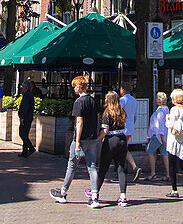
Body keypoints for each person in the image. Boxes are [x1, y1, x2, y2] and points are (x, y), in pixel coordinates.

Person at [50, 75, 100, 205]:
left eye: (74, 87)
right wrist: (96, 134)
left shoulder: (79, 102)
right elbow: (98, 119)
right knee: (92, 167)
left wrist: (77, 141)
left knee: (72, 166)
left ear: (79, 87)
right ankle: (95, 196)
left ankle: (63, 193)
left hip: (81, 139)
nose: (73, 89)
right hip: (92, 139)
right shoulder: (93, 101)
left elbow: (79, 122)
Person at [93, 91, 131, 207]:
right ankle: (123, 196)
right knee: (121, 168)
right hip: (122, 139)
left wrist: (96, 139)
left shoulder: (107, 113)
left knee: (103, 168)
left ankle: (95, 193)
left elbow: (105, 131)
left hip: (110, 140)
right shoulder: (122, 112)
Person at [117, 83, 142, 182]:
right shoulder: (134, 100)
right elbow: (135, 116)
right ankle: (133, 167)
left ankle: (126, 169)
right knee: (124, 148)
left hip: (123, 127)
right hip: (130, 127)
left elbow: (118, 114)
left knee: (121, 149)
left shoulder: (122, 100)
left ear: (123, 90)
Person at [145, 92, 170, 180]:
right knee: (164, 154)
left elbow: (160, 125)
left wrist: (162, 137)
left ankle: (153, 172)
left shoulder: (160, 111)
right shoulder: (167, 110)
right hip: (165, 136)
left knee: (150, 151)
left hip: (158, 135)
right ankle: (168, 173)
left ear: (158, 100)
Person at [18, 79, 36, 157]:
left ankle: (31, 148)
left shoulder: (26, 95)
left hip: (26, 118)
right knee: (25, 134)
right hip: (29, 117)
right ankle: (25, 151)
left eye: (22, 87)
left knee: (22, 134)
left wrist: (22, 117)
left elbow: (25, 107)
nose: (21, 88)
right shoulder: (30, 95)